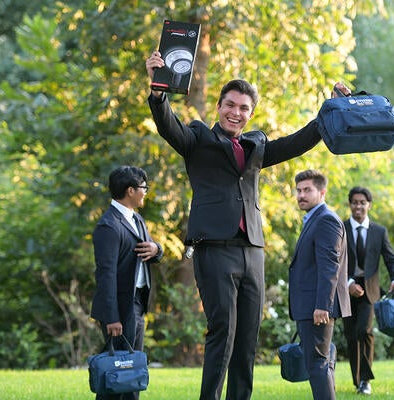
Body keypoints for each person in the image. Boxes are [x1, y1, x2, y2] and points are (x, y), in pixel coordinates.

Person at [145, 51, 351, 400]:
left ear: (250, 113)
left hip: (253, 250)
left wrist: (330, 109)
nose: (235, 113)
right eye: (230, 105)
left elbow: (297, 142)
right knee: (222, 331)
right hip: (214, 248)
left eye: (243, 108)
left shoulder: (257, 146)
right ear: (220, 106)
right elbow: (169, 126)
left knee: (247, 338)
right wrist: (157, 91)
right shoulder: (198, 140)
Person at [90, 166, 163, 400]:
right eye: (143, 188)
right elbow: (106, 274)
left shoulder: (136, 219)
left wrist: (157, 249)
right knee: (116, 375)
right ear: (130, 190)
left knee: (131, 372)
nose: (146, 192)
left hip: (137, 303)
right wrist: (112, 317)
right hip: (119, 308)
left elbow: (151, 248)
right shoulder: (108, 226)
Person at [289, 169, 351, 400]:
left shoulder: (325, 220)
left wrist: (322, 305)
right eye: (298, 190)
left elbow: (329, 267)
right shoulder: (314, 219)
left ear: (322, 192)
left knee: (317, 364)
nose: (301, 195)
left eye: (307, 190)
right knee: (320, 363)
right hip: (311, 305)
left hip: (317, 307)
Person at [342, 186, 394, 395]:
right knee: (350, 336)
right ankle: (357, 379)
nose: (358, 206)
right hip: (345, 288)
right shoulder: (340, 228)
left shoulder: (379, 231)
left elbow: (391, 259)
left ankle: (366, 380)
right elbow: (334, 261)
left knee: (364, 331)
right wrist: (348, 283)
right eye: (355, 202)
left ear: (369, 205)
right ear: (350, 204)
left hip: (370, 291)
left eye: (362, 202)